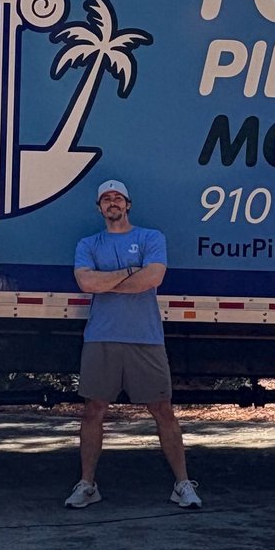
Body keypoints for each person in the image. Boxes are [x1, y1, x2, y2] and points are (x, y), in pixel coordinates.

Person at [65, 179, 200, 510]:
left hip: (145, 338)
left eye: (118, 198)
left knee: (163, 410)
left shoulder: (151, 238)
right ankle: (87, 485)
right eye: (106, 199)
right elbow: (86, 281)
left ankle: (183, 484)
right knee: (93, 410)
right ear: (99, 207)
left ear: (128, 204)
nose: (112, 203)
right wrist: (129, 273)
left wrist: (106, 282)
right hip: (101, 337)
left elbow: (153, 278)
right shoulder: (88, 243)